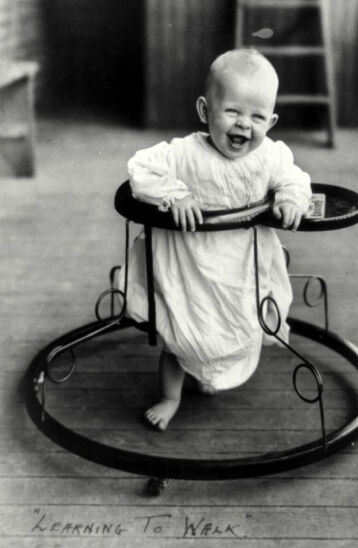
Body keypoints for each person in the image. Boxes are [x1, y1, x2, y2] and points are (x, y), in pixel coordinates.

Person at [118, 48, 311, 430]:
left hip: (240, 269)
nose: (244, 125)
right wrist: (176, 194)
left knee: (236, 328)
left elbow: (294, 177)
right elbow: (140, 168)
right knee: (181, 336)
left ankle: (207, 374)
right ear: (205, 111)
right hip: (190, 270)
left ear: (271, 121)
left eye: (257, 116)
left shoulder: (269, 157)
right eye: (233, 112)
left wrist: (290, 198)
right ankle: (171, 396)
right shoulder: (185, 154)